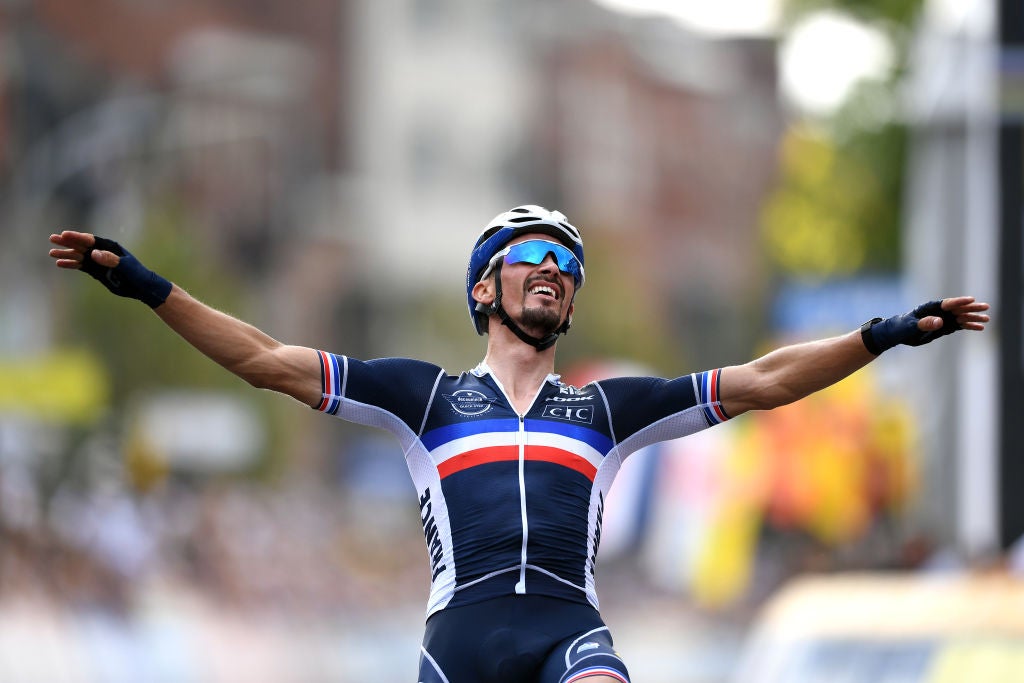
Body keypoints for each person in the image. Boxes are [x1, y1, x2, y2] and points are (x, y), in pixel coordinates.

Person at [49, 205, 989, 683]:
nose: (554, 274)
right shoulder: (422, 398)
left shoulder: (610, 408)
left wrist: (881, 333)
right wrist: (149, 286)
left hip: (566, 632)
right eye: (533, 260)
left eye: (569, 268)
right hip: (460, 641)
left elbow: (764, 380)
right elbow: (263, 357)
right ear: (484, 291)